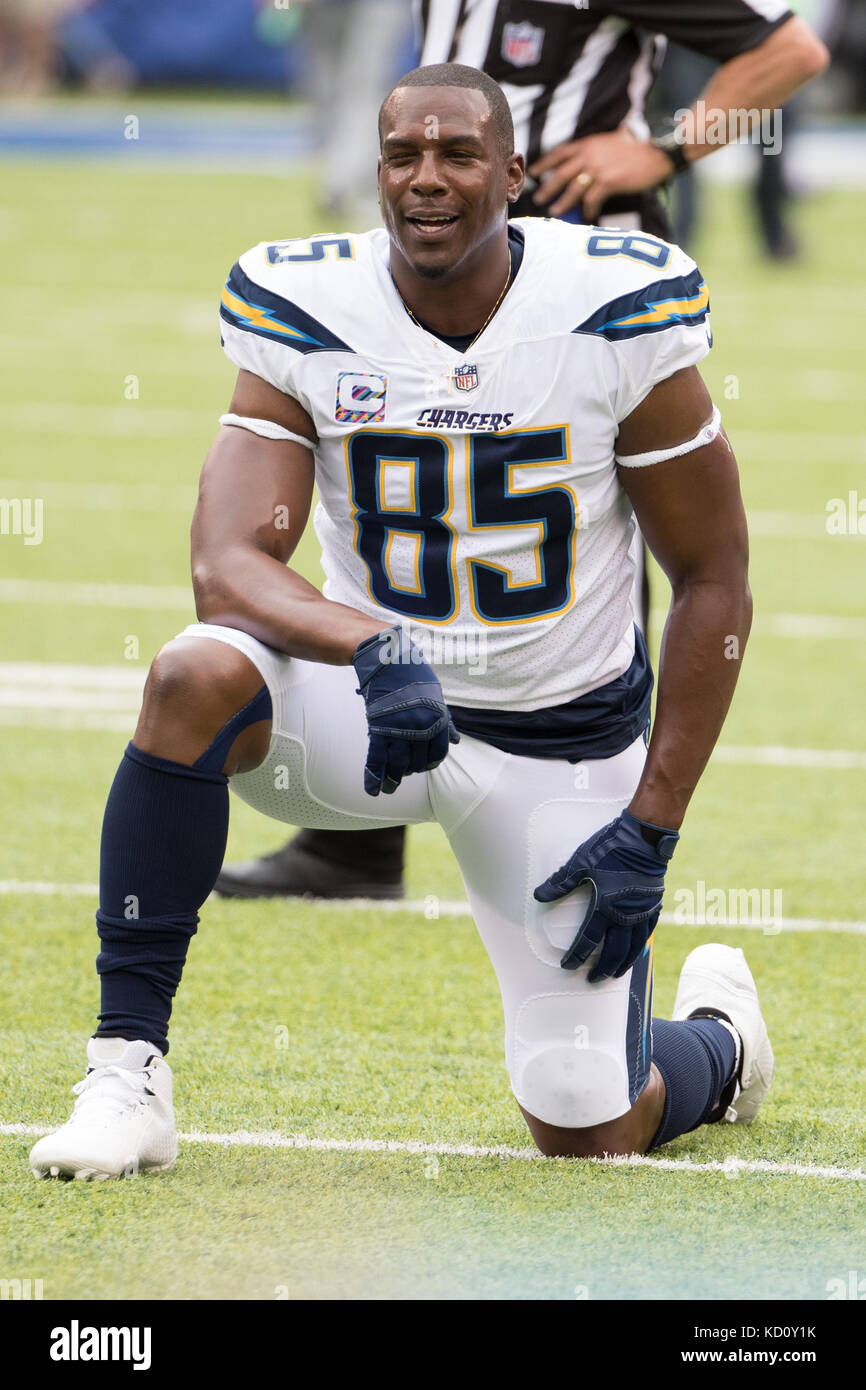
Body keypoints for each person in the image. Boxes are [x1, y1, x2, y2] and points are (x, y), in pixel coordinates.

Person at [30, 63, 772, 1180]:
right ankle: (127, 1069)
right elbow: (228, 563)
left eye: (458, 154)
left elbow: (712, 576)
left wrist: (654, 824)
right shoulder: (307, 301)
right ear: (375, 170)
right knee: (193, 676)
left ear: (515, 175)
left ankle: (719, 1039)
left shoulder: (615, 308)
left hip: (553, 734)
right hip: (372, 711)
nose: (425, 178)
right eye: (401, 155)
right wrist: (370, 644)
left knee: (585, 1125)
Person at [217, 0, 828, 901]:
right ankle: (357, 841)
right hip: (442, 266)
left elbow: (791, 51)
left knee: (594, 545)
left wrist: (665, 150)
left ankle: (608, 806)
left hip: (572, 281)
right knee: (390, 508)